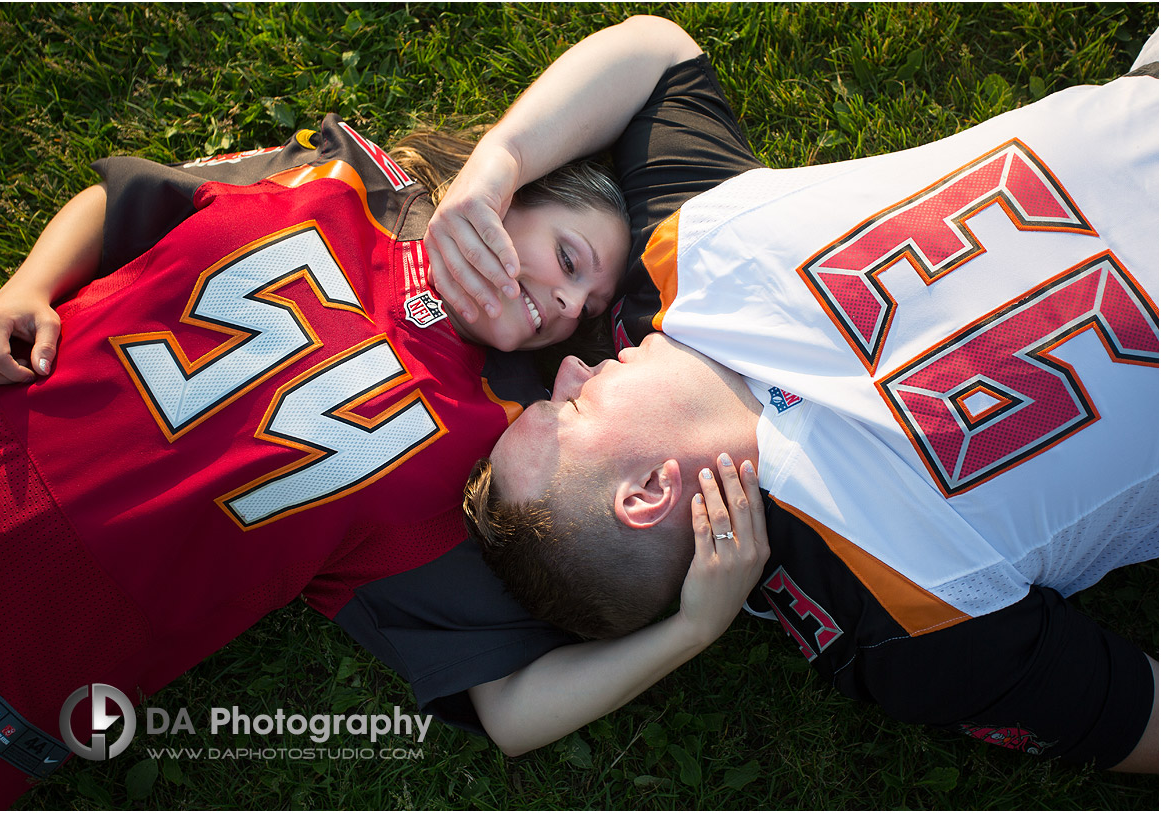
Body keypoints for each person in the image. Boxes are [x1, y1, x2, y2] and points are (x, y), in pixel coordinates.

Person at [434, 18, 1159, 771]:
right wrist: (687, 629)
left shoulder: (678, 257)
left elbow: (655, 54)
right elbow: (1135, 711)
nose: (571, 368)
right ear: (648, 491)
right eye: (572, 408)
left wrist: (497, 163)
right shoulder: (900, 618)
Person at [0, 106, 646, 806]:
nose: (566, 302)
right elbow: (127, 198)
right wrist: (24, 289)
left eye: (586, 310)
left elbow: (513, 708)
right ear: (509, 192)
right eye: (568, 259)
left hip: (32, 641)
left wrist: (691, 627)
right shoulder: (345, 174)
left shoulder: (482, 442)